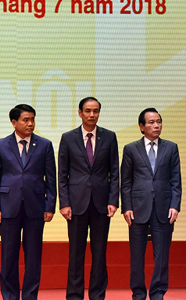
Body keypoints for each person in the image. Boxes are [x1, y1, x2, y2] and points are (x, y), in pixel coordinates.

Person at [0, 104, 56, 300]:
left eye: (33, 119)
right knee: (9, 256)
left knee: (33, 257)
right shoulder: (1, 145)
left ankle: (29, 296)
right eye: (26, 120)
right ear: (14, 122)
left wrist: (49, 206)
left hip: (36, 207)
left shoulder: (44, 145)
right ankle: (9, 296)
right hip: (8, 207)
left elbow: (51, 178)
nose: (30, 124)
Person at [58, 97, 119, 300]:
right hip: (76, 205)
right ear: (80, 113)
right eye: (88, 111)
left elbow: (114, 172)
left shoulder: (109, 137)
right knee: (76, 254)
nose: (92, 114)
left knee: (99, 254)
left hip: (102, 204)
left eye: (96, 111)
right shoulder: (68, 138)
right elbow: (62, 174)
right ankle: (74, 296)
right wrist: (64, 203)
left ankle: (97, 295)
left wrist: (113, 200)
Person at [121, 108, 181, 300]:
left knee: (161, 255)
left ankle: (157, 293)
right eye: (151, 122)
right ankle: (138, 293)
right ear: (141, 127)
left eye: (159, 122)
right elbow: (126, 181)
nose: (156, 126)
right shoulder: (131, 149)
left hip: (163, 208)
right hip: (138, 209)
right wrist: (127, 207)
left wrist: (175, 205)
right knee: (137, 256)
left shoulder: (171, 147)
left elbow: (176, 180)